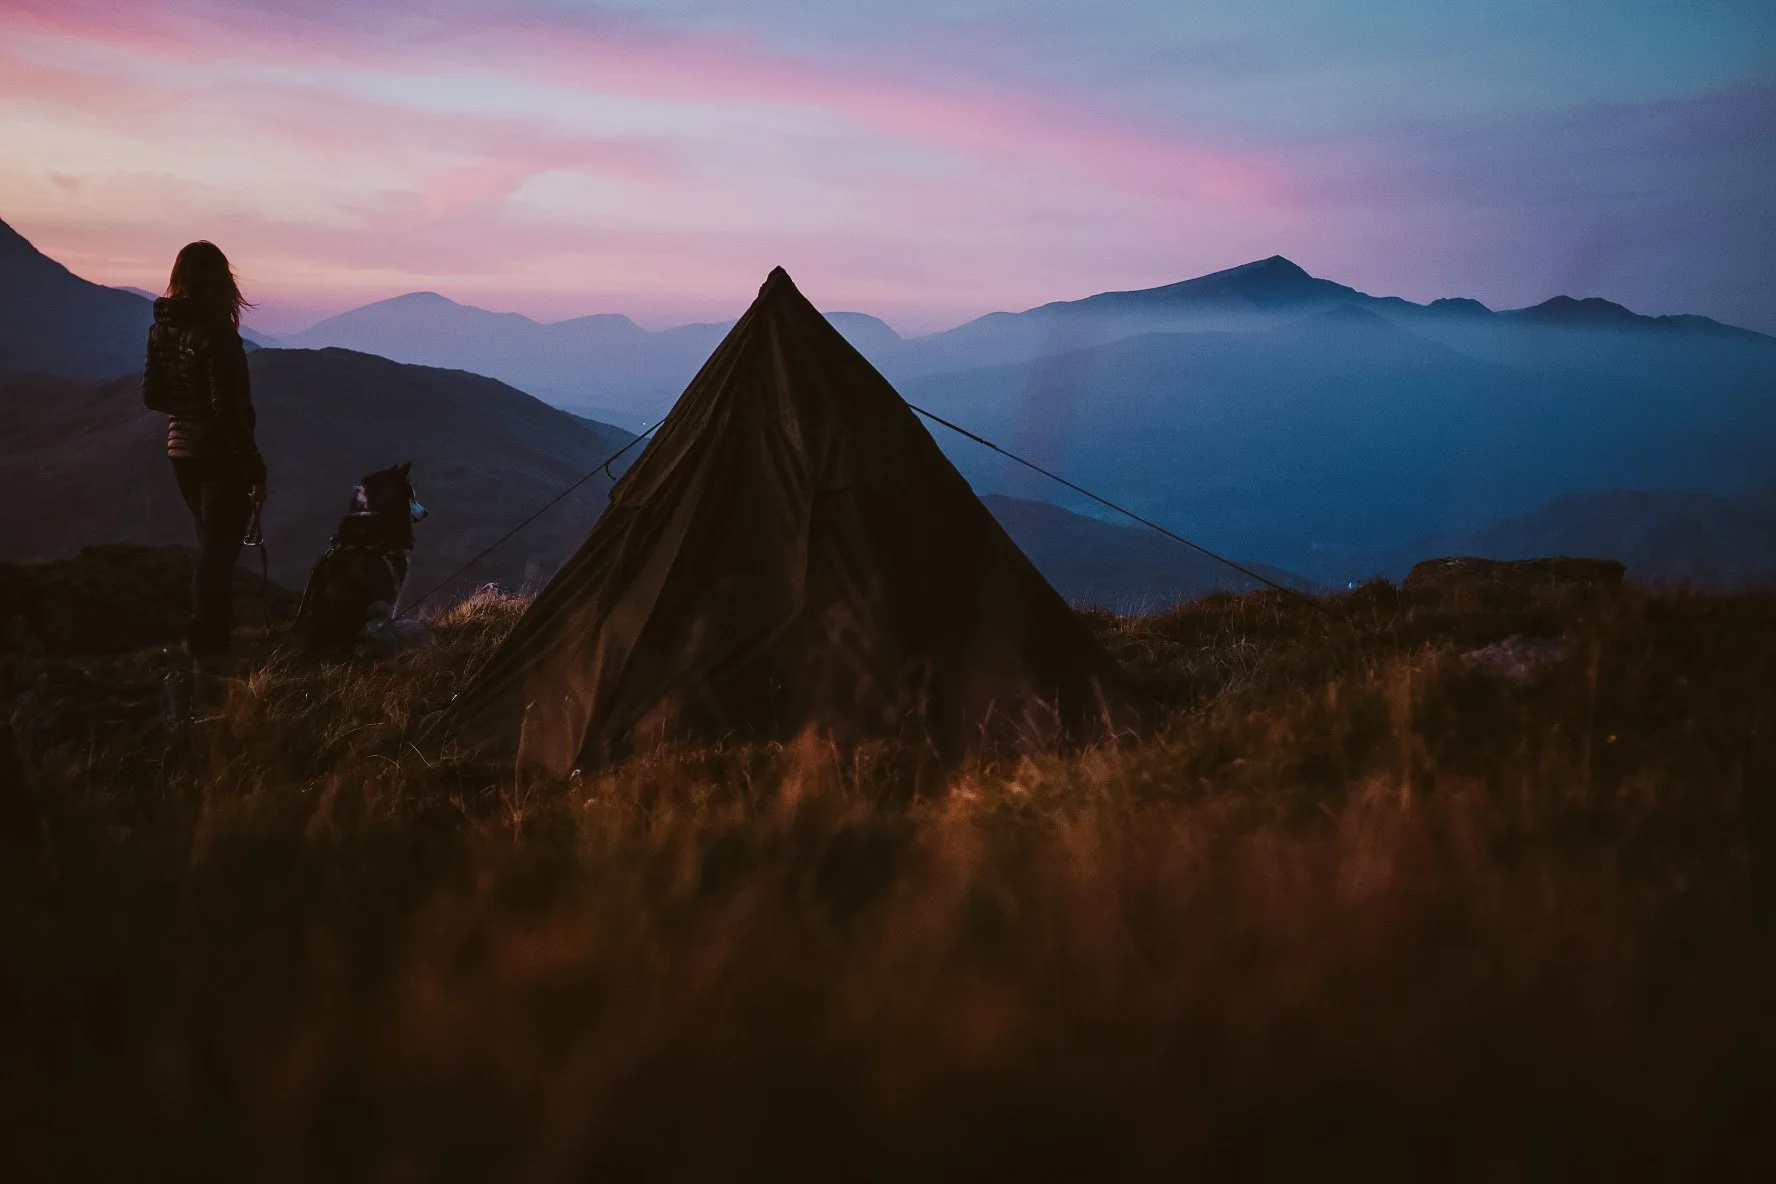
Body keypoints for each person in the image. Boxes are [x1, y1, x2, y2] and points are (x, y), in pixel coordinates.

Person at [141, 241, 267, 681]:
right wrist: (253, 466)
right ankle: (208, 650)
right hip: (218, 454)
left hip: (180, 451)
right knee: (218, 552)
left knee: (210, 545)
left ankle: (209, 645)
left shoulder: (162, 329)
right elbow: (228, 409)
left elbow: (153, 396)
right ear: (222, 281)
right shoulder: (217, 335)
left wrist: (187, 406)